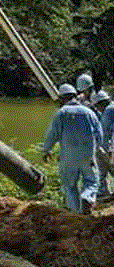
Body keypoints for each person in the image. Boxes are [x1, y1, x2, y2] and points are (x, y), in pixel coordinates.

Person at [41, 82, 103, 214]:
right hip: (87, 155)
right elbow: (99, 133)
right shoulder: (89, 112)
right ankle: (87, 198)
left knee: (69, 185)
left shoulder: (61, 113)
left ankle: (75, 213)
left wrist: (46, 150)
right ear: (75, 96)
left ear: (62, 99)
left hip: (68, 156)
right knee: (92, 181)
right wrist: (97, 148)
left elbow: (52, 134)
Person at [91, 90, 114, 198]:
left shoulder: (109, 112)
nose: (97, 109)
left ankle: (103, 191)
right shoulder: (111, 108)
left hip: (110, 146)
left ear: (101, 104)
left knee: (101, 162)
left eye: (97, 106)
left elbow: (103, 132)